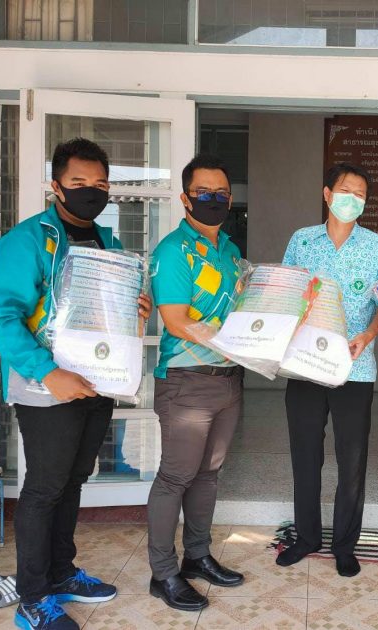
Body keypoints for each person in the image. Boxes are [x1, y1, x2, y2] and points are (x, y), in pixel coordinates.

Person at [0, 138, 152, 630]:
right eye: (79, 182)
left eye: (100, 183)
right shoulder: (28, 241)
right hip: (48, 388)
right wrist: (47, 372)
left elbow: (106, 315)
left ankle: (60, 573)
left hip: (96, 384)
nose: (90, 191)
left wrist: (134, 312)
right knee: (43, 489)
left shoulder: (108, 244)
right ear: (56, 186)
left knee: (72, 482)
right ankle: (33, 600)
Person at [276, 162, 378, 577]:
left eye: (360, 194)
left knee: (352, 460)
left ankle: (345, 545)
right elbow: (287, 292)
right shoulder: (302, 240)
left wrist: (369, 334)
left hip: (355, 368)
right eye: (346, 191)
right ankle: (307, 537)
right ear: (327, 194)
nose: (352, 199)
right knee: (305, 455)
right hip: (305, 365)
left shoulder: (377, 246)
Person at [146, 154, 245, 612]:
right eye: (204, 192)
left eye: (221, 193)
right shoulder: (173, 251)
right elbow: (175, 320)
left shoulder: (231, 251)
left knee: (208, 474)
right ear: (185, 198)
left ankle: (197, 556)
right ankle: (163, 573)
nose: (213, 199)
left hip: (227, 380)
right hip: (186, 380)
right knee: (176, 477)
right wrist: (230, 342)